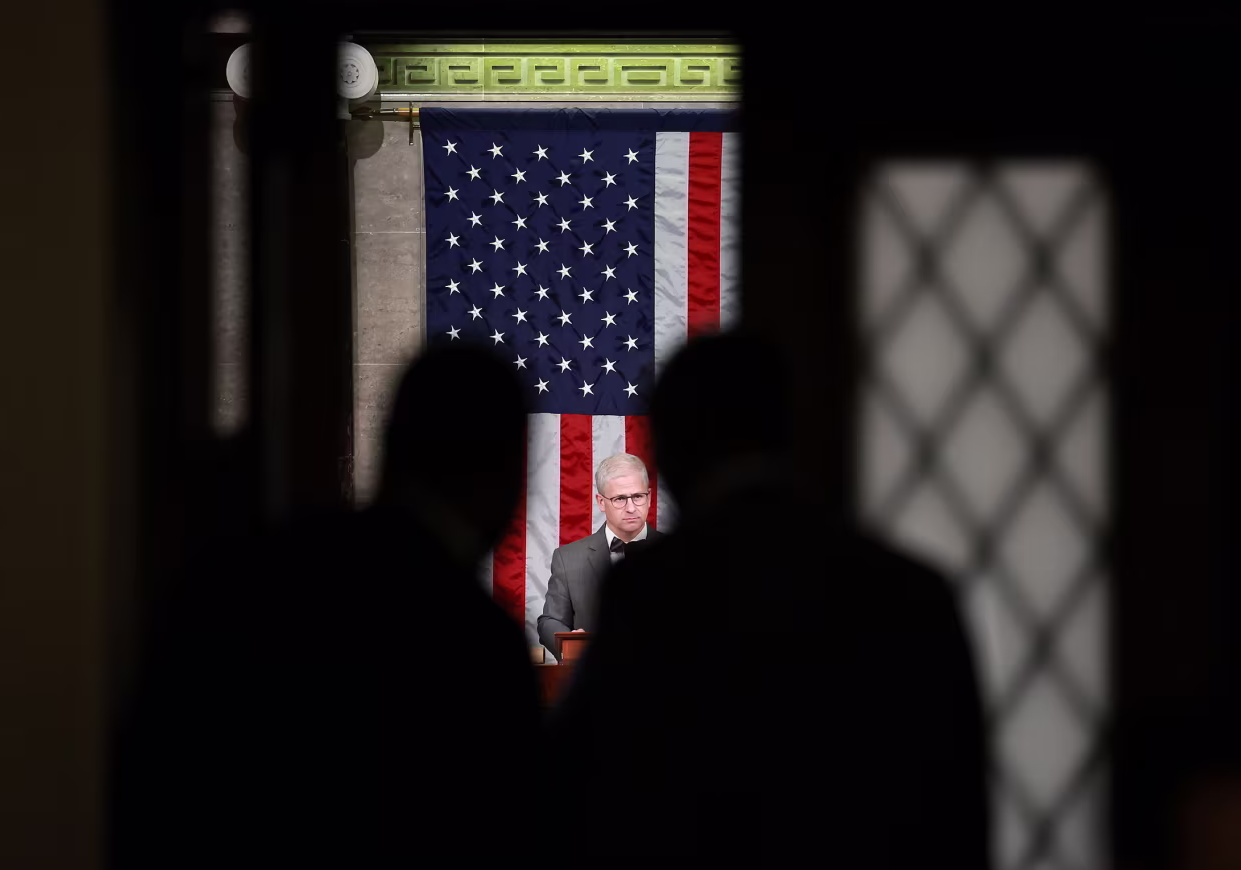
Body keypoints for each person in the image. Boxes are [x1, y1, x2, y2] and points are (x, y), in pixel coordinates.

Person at [550, 332, 990, 866]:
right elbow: (960, 807)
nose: (634, 505)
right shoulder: (915, 591)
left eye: (640, 493)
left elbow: (596, 788)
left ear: (672, 453)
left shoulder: (653, 590)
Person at [114, 344, 539, 864]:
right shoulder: (474, 641)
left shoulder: (245, 572)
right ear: (504, 469)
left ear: (389, 445)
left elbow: (145, 783)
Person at [536, 453, 664, 659]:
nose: (631, 508)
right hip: (595, 682)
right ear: (601, 502)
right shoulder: (567, 558)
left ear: (648, 497)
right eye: (620, 499)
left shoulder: (682, 555)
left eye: (638, 497)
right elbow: (549, 620)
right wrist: (569, 641)